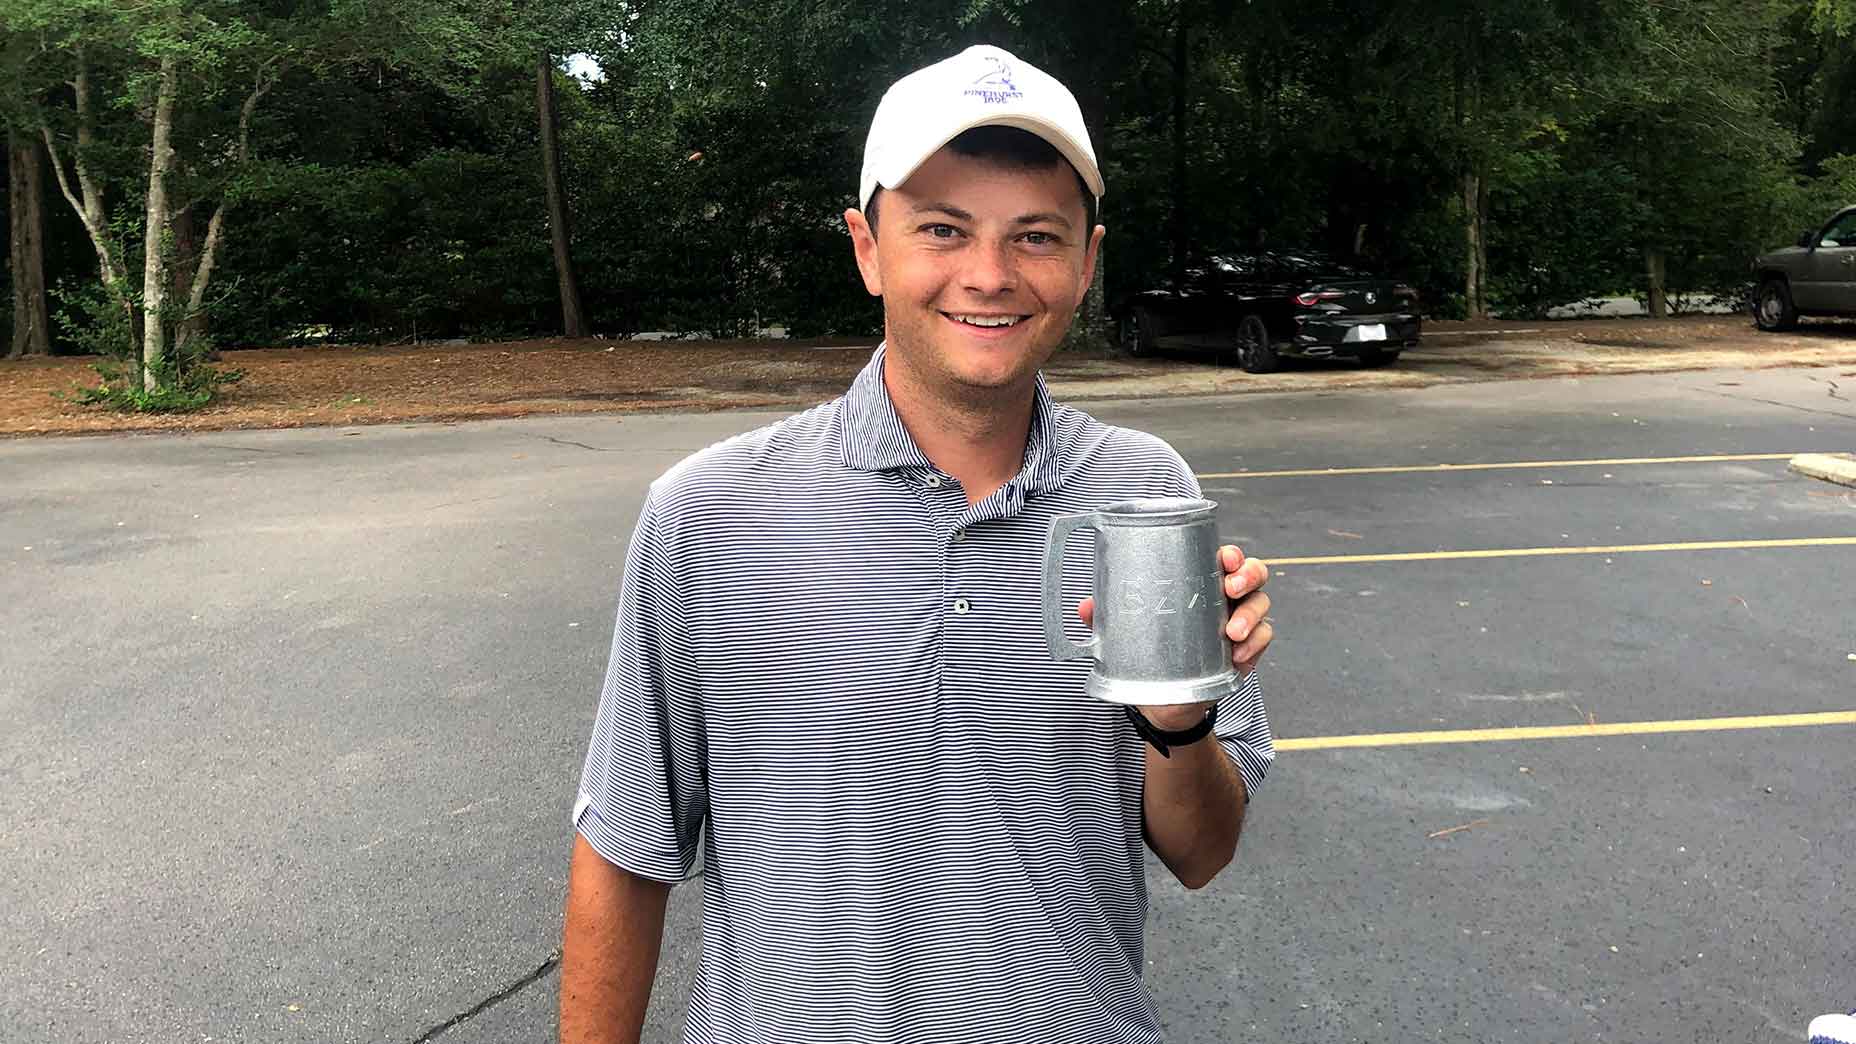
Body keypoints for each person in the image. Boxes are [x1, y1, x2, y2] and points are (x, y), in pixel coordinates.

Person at [559, 44, 1277, 1044]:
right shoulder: (707, 514)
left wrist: (1177, 725)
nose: (988, 275)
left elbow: (1200, 851)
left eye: (1034, 235)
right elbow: (624, 851)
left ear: (1086, 260)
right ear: (865, 246)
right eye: (941, 229)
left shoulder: (1143, 495)